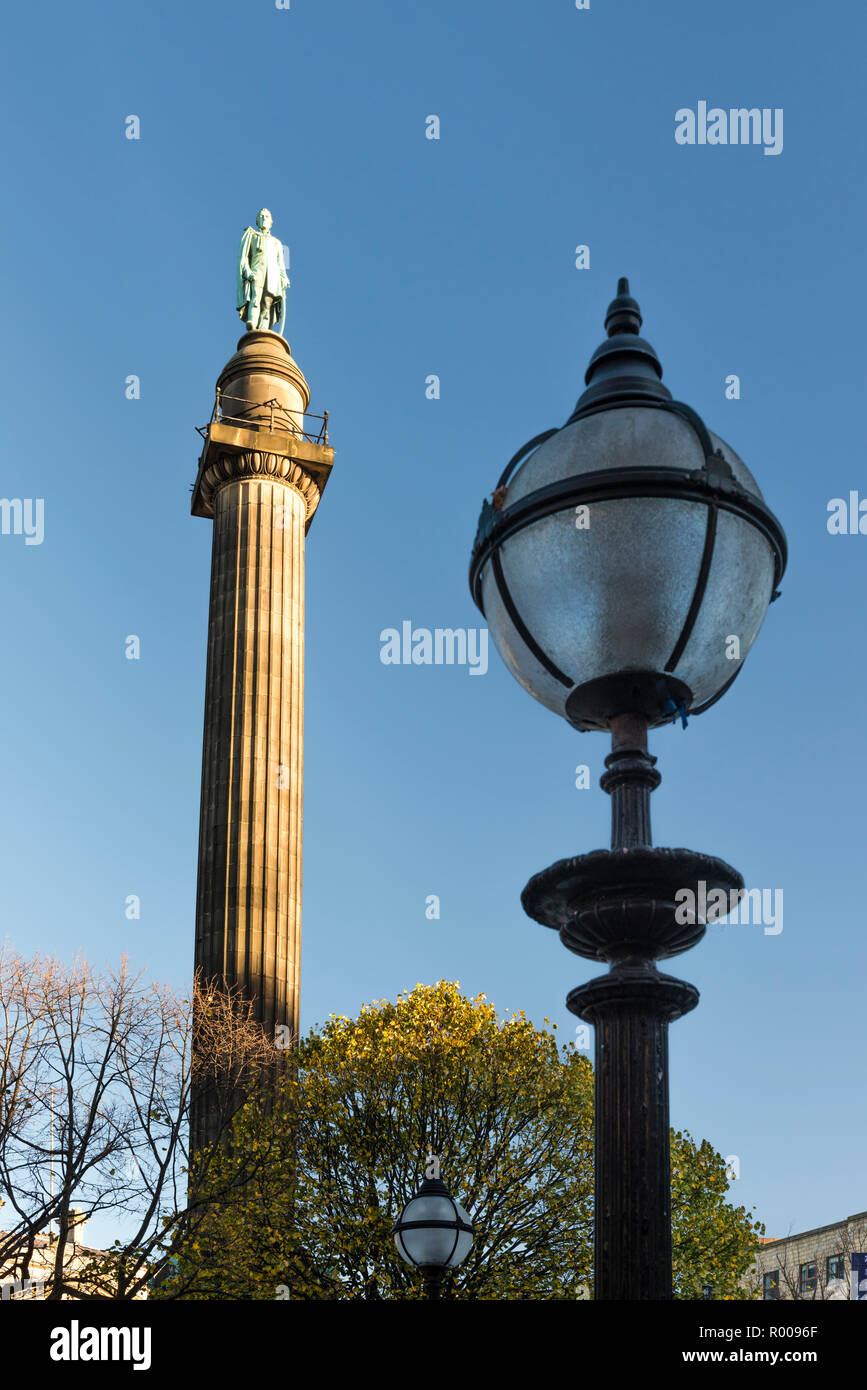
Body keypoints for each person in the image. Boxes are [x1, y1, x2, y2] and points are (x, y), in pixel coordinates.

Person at [236, 209, 289, 333]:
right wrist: (247, 271)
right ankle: (252, 321)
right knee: (255, 297)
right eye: (261, 216)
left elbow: (282, 264)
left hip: (272, 275)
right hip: (257, 271)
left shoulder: (278, 243)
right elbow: (243, 258)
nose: (264, 218)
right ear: (257, 221)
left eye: (266, 217)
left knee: (267, 302)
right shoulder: (252, 236)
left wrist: (284, 277)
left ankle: (264, 328)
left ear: (271, 222)